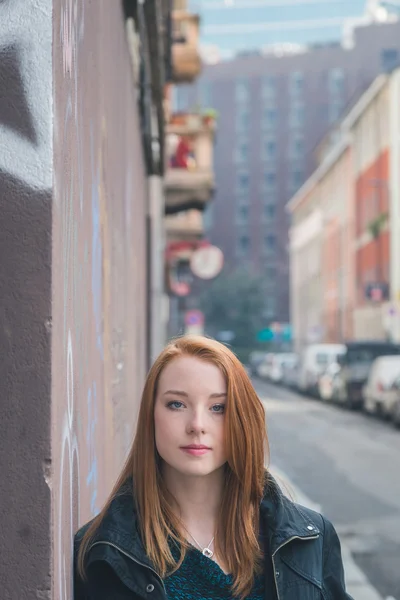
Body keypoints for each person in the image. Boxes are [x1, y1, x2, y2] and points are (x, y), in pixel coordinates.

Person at [74, 335, 353, 600]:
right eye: (176, 404)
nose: (197, 425)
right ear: (151, 416)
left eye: (218, 408)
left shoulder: (310, 539)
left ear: (243, 420)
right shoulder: (100, 552)